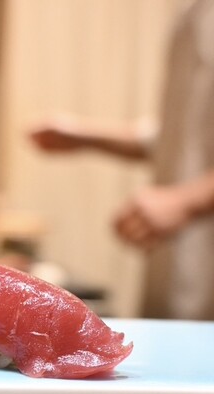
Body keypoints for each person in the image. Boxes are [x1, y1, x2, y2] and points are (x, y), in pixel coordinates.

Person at [29, 0, 214, 320]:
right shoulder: (192, 12)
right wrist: (83, 135)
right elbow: (183, 139)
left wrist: (187, 200)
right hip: (180, 267)